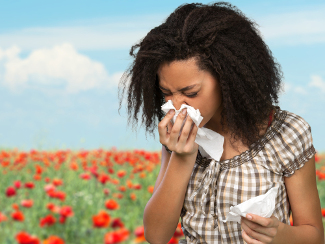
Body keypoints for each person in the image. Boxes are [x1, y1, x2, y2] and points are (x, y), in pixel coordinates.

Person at [118, 2, 324, 244]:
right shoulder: (179, 136)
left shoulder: (286, 133)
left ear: (228, 78)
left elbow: (315, 236)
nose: (176, 106)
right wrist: (182, 157)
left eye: (190, 93)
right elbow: (156, 236)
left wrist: (280, 235)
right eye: (166, 92)